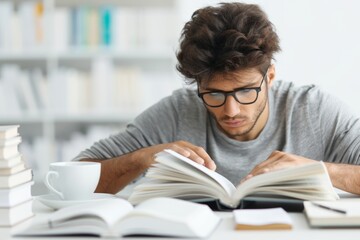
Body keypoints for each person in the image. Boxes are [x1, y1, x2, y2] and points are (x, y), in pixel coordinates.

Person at [74, 2, 360, 196]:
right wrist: (141, 159)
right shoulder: (177, 111)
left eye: (246, 91)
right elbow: (75, 178)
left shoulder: (315, 110)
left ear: (269, 77)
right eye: (213, 94)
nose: (230, 110)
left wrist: (319, 170)